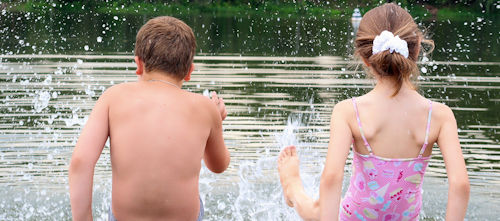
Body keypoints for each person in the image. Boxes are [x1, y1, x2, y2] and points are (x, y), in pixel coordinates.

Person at [278, 3, 470, 221]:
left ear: (364, 58)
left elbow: (332, 178)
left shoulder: (348, 112)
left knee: (318, 211)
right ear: (416, 51)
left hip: (354, 217)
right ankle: (293, 189)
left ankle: (294, 189)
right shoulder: (440, 116)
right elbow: (460, 184)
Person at [69, 16, 230, 221]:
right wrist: (215, 121)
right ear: (189, 72)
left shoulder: (113, 97)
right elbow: (218, 166)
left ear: (138, 64)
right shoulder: (204, 107)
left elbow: (80, 162)